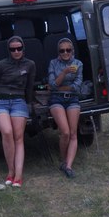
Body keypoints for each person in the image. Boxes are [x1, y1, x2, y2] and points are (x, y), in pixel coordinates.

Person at [0, 36, 36, 187]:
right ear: (9, 50)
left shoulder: (30, 64)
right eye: (13, 49)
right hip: (0, 101)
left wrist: (30, 104)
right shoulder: (1, 65)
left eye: (19, 48)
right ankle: (10, 171)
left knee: (18, 137)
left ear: (23, 48)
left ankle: (18, 176)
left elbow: (30, 86)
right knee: (6, 132)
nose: (16, 51)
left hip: (19, 101)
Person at [47, 38, 83, 178]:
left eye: (68, 50)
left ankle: (68, 166)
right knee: (65, 132)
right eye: (62, 50)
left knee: (73, 133)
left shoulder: (78, 64)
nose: (65, 53)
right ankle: (64, 159)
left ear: (72, 51)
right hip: (56, 99)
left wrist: (59, 87)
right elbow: (52, 85)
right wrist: (64, 72)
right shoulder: (53, 63)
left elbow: (77, 86)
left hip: (72, 98)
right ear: (58, 52)